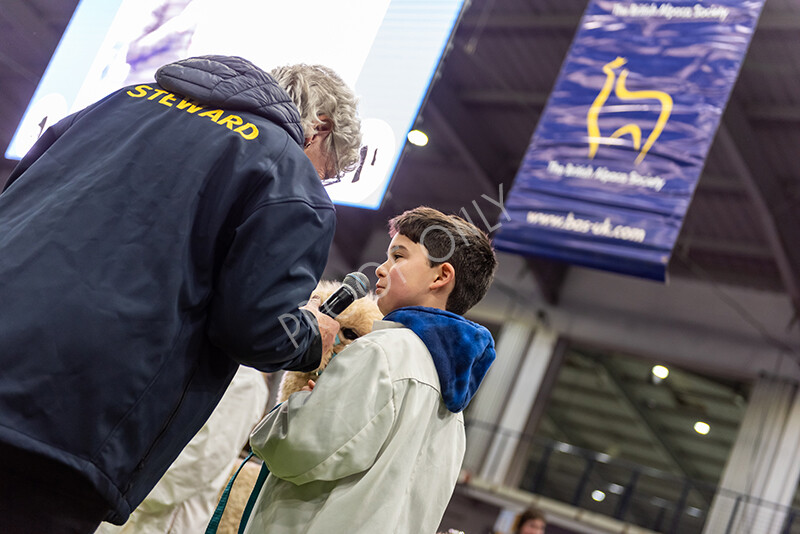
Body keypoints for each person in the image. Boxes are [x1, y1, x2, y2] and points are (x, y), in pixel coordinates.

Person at [0, 55, 361, 534]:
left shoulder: (118, 103)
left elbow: (17, 200)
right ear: (320, 128)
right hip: (72, 423)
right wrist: (312, 335)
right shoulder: (286, 172)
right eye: (329, 171)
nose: (320, 183)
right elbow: (253, 328)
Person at [244, 206, 498, 533]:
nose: (380, 269)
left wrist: (299, 407)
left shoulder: (382, 353)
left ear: (440, 276)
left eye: (398, 257)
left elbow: (294, 451)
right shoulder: (452, 403)